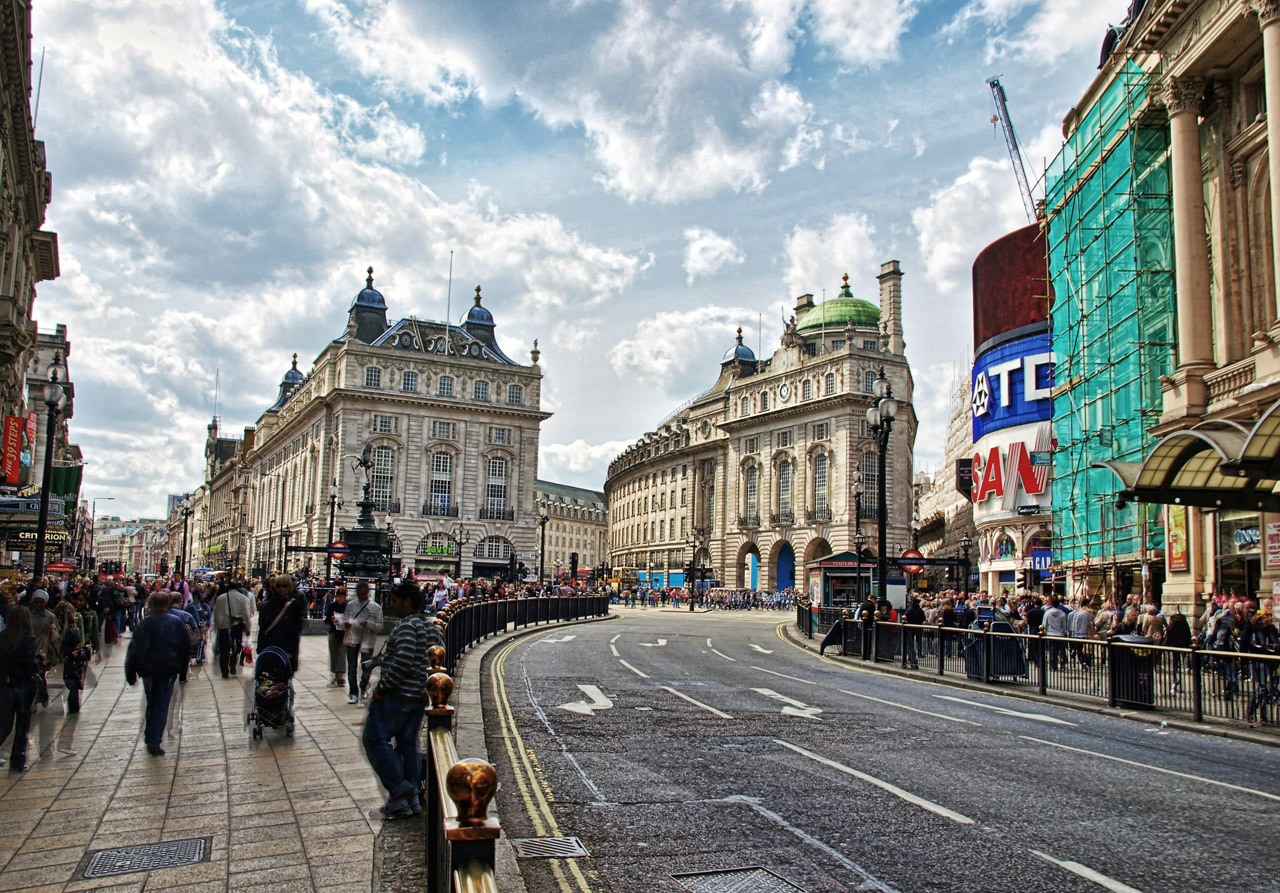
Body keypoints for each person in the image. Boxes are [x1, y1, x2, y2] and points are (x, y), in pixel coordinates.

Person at [361, 581, 443, 818]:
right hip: (419, 697)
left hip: (398, 696)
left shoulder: (407, 627)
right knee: (407, 746)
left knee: (373, 739)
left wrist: (383, 687)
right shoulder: (433, 628)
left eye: (395, 601)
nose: (392, 605)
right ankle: (412, 800)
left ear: (408, 601)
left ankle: (400, 789)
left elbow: (403, 661)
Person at [125, 593, 190, 756]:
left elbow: (134, 649)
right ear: (168, 603)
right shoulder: (175, 622)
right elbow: (185, 647)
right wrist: (183, 671)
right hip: (167, 668)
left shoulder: (145, 623)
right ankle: (153, 739)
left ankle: (151, 735)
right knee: (161, 704)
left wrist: (130, 672)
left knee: (152, 701)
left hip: (148, 669)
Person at [0, 606, 40, 771]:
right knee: (22, 726)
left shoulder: (2, 637)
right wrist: (39, 660)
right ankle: (17, 763)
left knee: (4, 724)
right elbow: (29, 665)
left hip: (5, 686)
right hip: (22, 686)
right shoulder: (28, 639)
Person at [342, 581, 384, 704]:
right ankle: (353, 693)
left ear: (368, 593)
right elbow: (344, 621)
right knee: (352, 667)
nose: (361, 596)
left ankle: (364, 686)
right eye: (359, 594)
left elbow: (380, 626)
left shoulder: (375, 607)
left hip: (367, 641)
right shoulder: (350, 605)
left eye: (363, 594)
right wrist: (345, 624)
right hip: (352, 639)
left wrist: (368, 624)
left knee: (366, 667)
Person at [258, 575, 305, 671]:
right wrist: (260, 649)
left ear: (289, 587)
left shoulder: (295, 606)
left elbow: (295, 631)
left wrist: (291, 651)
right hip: (269, 647)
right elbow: (262, 629)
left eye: (284, 586)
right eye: (279, 586)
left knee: (283, 676)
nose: (281, 588)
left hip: (286, 648)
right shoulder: (267, 606)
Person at [212, 581, 254, 678]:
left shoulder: (220, 598)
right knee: (237, 646)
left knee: (223, 649)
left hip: (223, 626)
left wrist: (216, 626)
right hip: (237, 626)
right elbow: (246, 615)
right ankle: (233, 660)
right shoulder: (243, 598)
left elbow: (215, 612)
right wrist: (248, 628)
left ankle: (224, 670)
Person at [55, 602, 89, 714]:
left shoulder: (55, 630)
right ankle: (73, 708)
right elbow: (76, 650)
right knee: (74, 687)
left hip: (61, 661)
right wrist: (85, 651)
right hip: (72, 665)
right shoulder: (73, 631)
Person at [323, 585, 349, 687]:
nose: (340, 598)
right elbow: (326, 621)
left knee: (342, 654)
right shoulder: (332, 606)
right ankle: (335, 673)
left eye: (342, 596)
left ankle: (340, 676)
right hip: (334, 632)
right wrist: (331, 619)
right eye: (339, 596)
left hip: (344, 633)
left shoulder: (348, 606)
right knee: (334, 653)